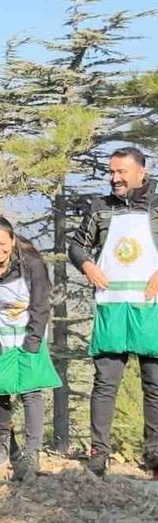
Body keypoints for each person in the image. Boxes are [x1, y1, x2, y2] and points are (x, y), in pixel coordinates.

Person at [68, 146, 158, 478]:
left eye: (121, 171)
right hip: (112, 307)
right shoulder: (100, 208)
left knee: (155, 386)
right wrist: (87, 265)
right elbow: (76, 246)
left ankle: (155, 459)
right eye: (111, 172)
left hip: (152, 308)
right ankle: (98, 456)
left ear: (141, 172)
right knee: (105, 383)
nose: (114, 178)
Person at [0, 217, 61, 481]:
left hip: (29, 332)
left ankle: (32, 452)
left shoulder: (32, 263)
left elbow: (41, 304)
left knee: (31, 391)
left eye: (2, 243)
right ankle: (5, 444)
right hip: (0, 334)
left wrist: (33, 341)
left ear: (12, 240)